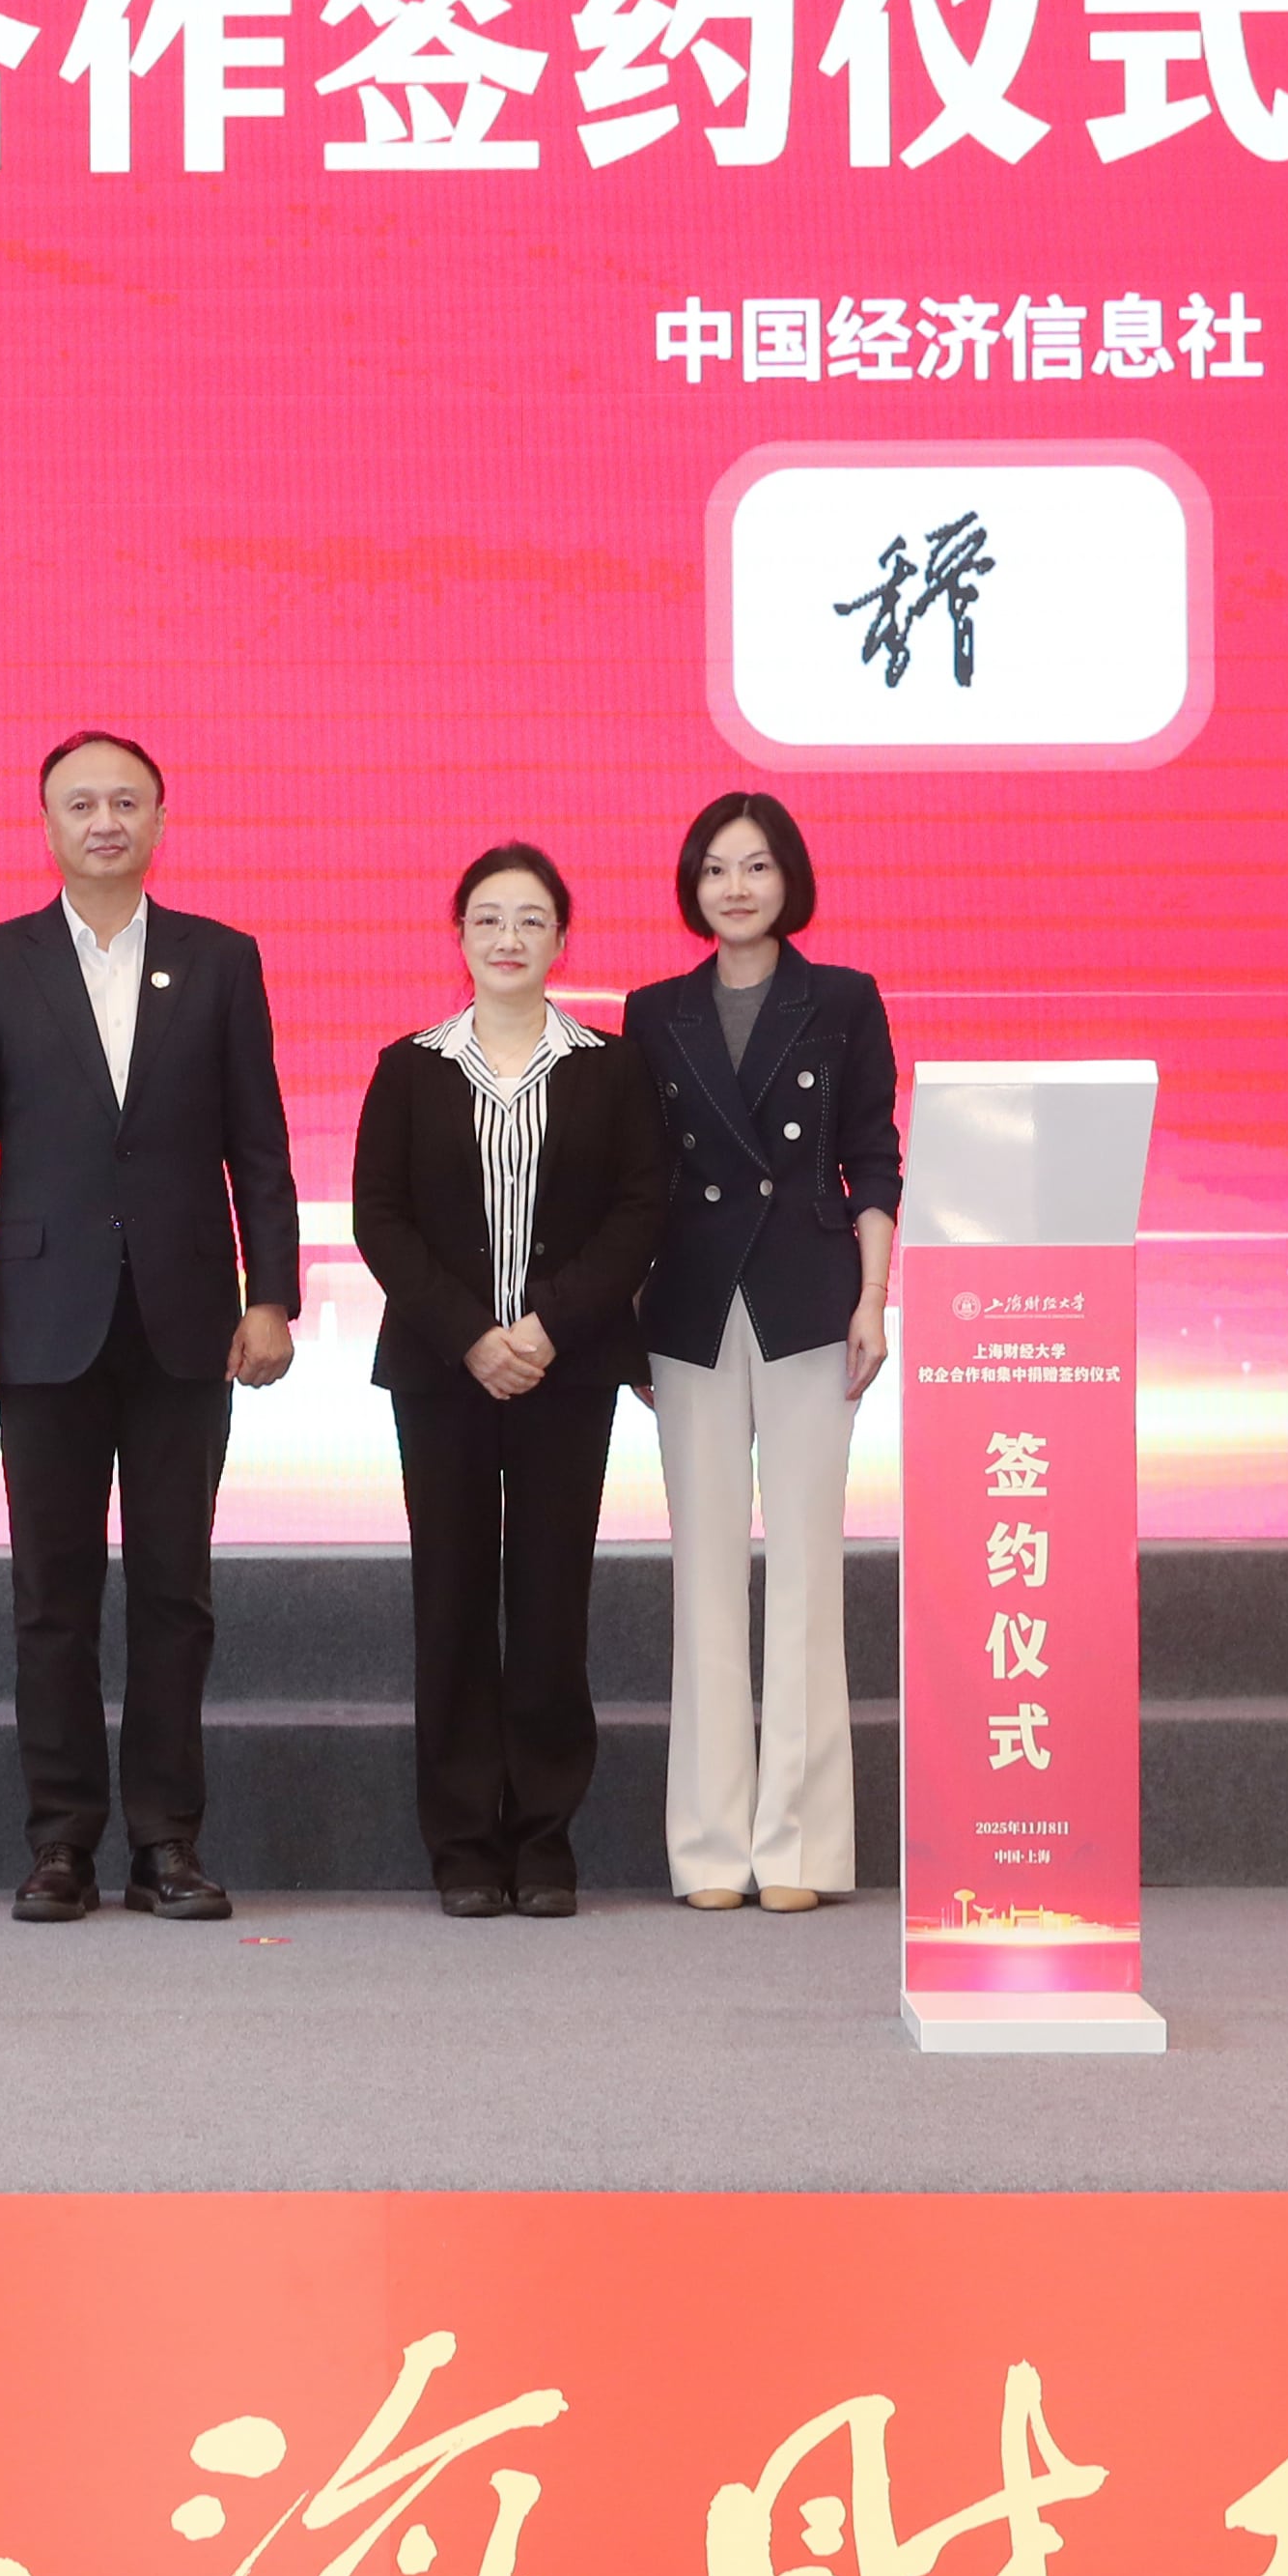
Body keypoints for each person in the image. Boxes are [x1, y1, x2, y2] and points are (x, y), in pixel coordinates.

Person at [0, 730, 300, 1924]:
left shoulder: (221, 958)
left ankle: (166, 1840)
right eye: (80, 803)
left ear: (160, 818)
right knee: (54, 1594)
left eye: (126, 801)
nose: (104, 821)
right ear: (45, 824)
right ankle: (61, 1842)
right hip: (39, 1323)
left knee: (176, 1591)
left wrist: (273, 1293)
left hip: (189, 1319)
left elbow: (260, 1144)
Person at [350, 844, 668, 1919]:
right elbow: (380, 1217)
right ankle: (462, 1846)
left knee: (548, 1602)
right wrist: (473, 1336)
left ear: (562, 939)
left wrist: (542, 1329)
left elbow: (639, 1210)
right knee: (449, 1600)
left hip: (565, 1372)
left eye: (531, 919)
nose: (509, 937)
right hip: (442, 1373)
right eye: (488, 918)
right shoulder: (409, 1066)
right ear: (459, 936)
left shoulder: (611, 1067)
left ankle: (543, 1841)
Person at [623, 790, 899, 1913]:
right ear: (691, 887)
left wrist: (874, 1295)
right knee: (703, 1573)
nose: (734, 887)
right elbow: (639, 1175)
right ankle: (706, 1848)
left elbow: (873, 1155)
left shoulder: (843, 998)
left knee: (805, 1571)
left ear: (791, 878)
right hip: (688, 1302)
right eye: (714, 869)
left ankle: (797, 1847)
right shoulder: (653, 1010)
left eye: (756, 866)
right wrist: (626, 1314)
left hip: (809, 1296)